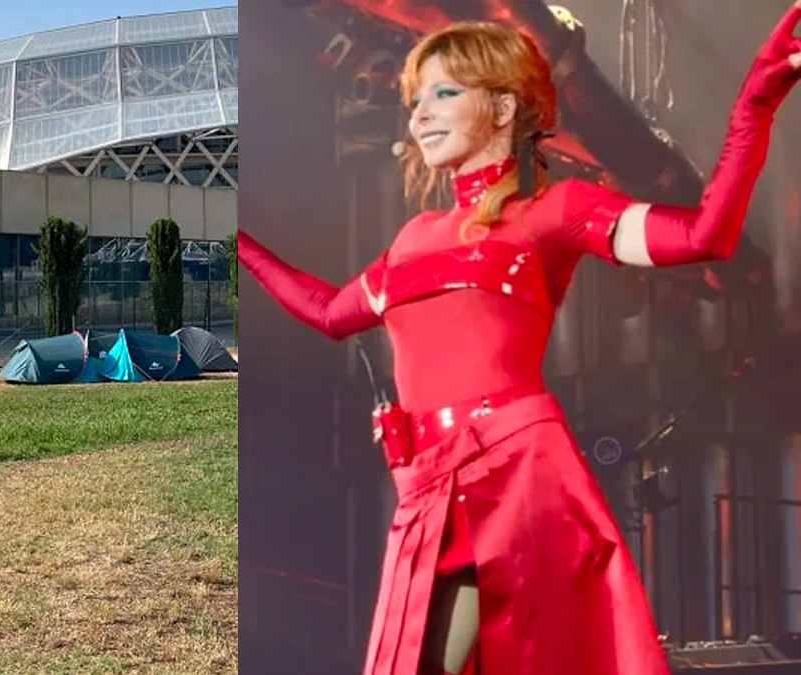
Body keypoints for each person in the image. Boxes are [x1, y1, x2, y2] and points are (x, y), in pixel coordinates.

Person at [239, 7, 801, 675]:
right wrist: (237, 244)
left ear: (503, 107)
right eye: (415, 99)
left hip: (512, 475)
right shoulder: (414, 236)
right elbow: (331, 310)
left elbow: (705, 235)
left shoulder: (556, 211)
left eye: (444, 92)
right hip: (427, 486)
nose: (419, 114)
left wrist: (755, 103)